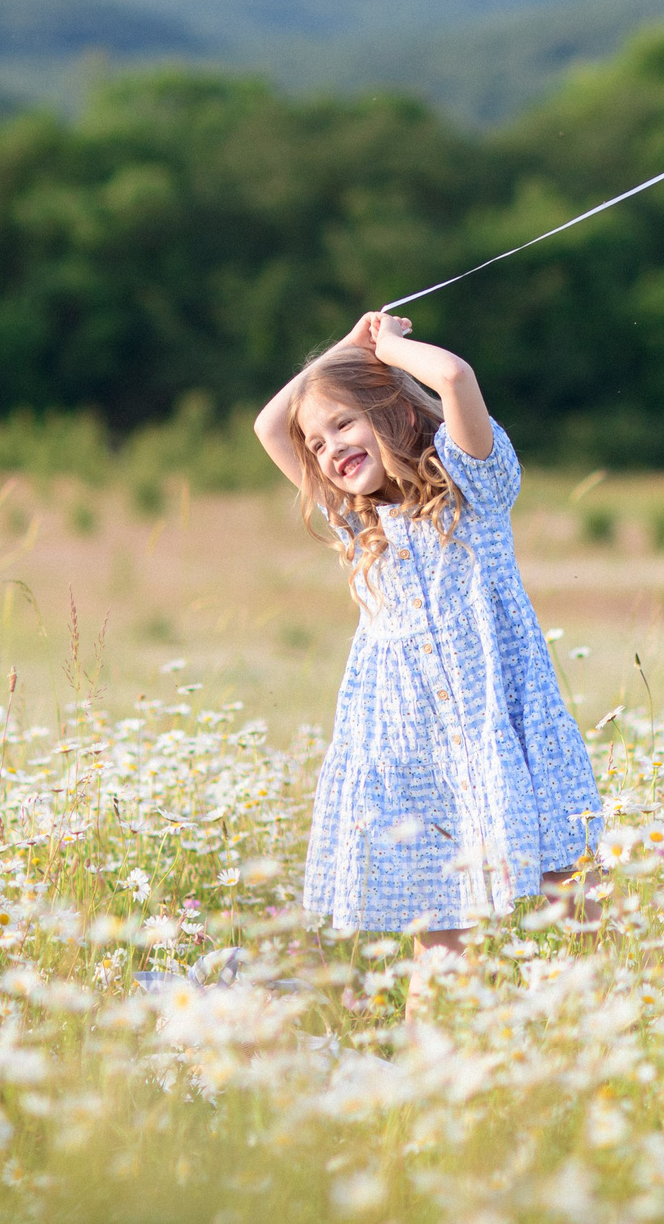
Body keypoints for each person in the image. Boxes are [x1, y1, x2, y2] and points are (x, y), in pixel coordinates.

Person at [254, 310, 603, 1020]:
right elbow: (269, 426)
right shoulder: (359, 524)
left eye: (345, 425)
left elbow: (453, 376)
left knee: (572, 887)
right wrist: (345, 352)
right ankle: (427, 1080)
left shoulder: (475, 491)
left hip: (504, 721)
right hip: (416, 751)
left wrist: (386, 350)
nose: (329, 450)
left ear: (389, 409)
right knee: (439, 932)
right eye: (317, 444)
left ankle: (587, 1032)